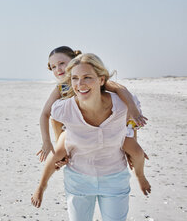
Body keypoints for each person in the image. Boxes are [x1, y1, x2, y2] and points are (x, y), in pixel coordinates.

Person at [31, 53, 150, 220]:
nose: (80, 84)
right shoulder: (62, 106)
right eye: (75, 78)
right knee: (57, 153)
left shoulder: (123, 103)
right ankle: (41, 186)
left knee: (136, 151)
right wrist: (56, 144)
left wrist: (132, 141)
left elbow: (131, 120)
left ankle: (141, 176)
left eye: (87, 77)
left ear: (101, 80)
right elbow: (48, 116)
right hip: (78, 181)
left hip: (115, 180)